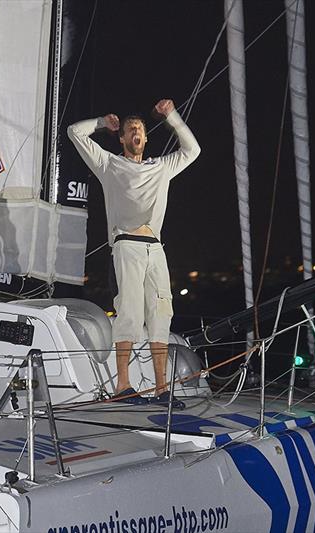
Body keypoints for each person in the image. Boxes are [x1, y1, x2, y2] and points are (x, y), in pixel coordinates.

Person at [68, 99, 200, 406]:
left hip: (156, 247)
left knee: (160, 314)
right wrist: (102, 122)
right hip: (126, 245)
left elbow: (192, 151)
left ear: (145, 137)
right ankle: (123, 386)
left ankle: (161, 389)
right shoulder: (109, 164)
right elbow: (75, 133)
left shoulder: (160, 167)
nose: (136, 132)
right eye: (130, 130)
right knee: (128, 313)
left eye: (140, 129)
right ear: (123, 138)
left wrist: (172, 117)